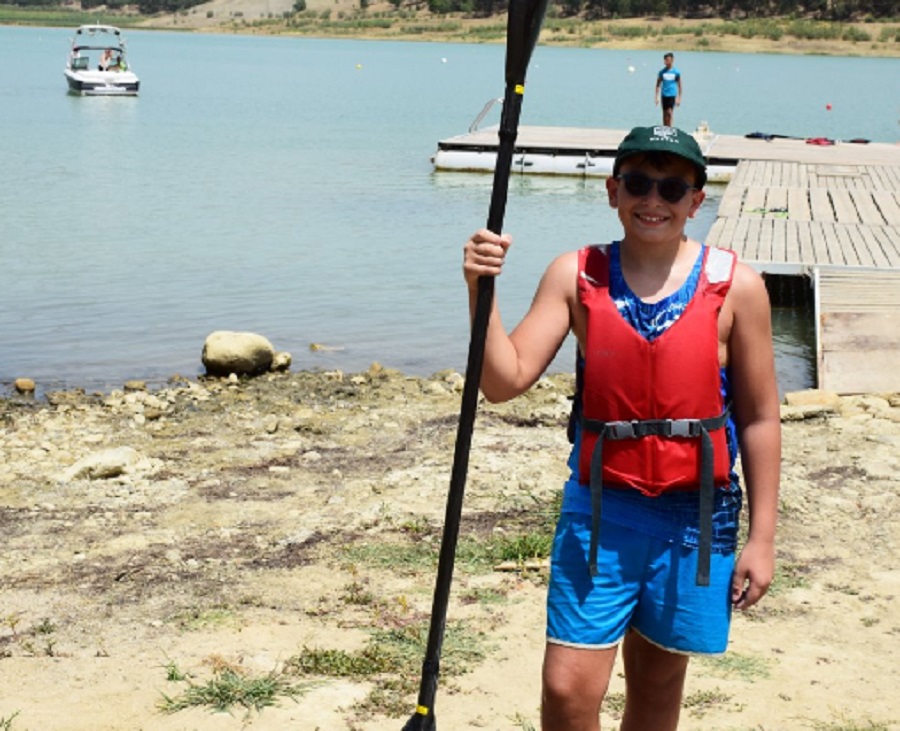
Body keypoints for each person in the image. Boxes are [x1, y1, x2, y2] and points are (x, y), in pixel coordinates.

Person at [462, 125, 781, 731]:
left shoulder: (739, 286)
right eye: (637, 183)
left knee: (657, 690)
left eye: (671, 187)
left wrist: (761, 538)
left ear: (696, 200)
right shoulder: (575, 274)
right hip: (602, 508)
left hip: (696, 515)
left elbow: (761, 418)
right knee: (567, 690)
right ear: (612, 190)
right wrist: (482, 292)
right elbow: (504, 382)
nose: (652, 200)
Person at [655, 52, 682, 126]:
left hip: (672, 95)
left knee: (670, 112)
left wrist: (679, 98)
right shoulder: (662, 72)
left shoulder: (676, 72)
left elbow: (679, 86)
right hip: (664, 95)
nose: (666, 61)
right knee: (664, 113)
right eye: (665, 60)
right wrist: (656, 97)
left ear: (672, 60)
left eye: (667, 60)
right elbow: (657, 85)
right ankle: (665, 128)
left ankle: (670, 128)